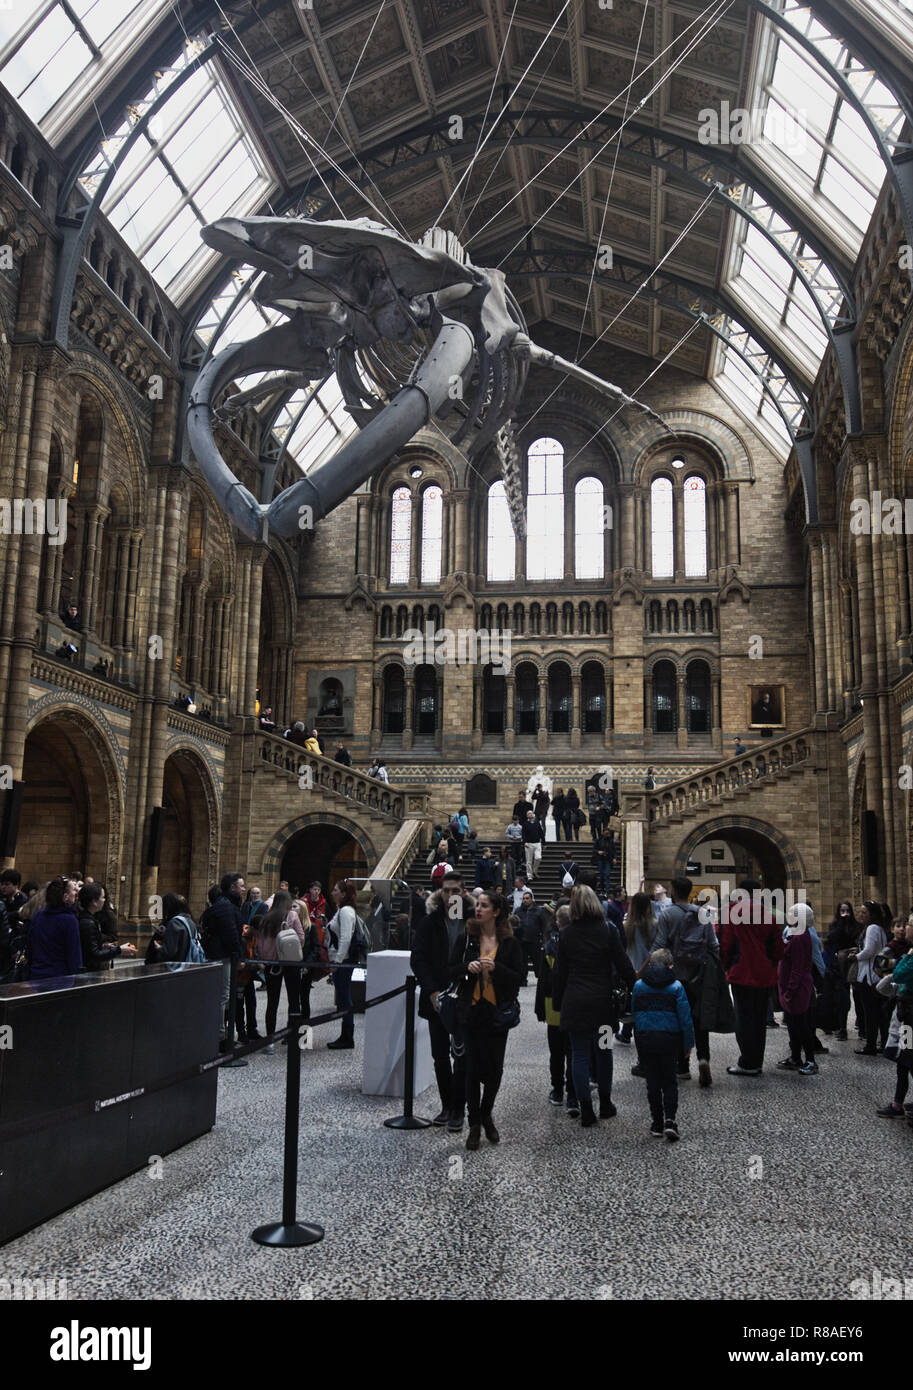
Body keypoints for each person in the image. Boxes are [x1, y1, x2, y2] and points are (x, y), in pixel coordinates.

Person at [552, 884, 636, 1127]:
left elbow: (559, 974)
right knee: (603, 1052)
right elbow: (623, 964)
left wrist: (558, 1004)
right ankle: (606, 1104)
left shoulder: (567, 933)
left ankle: (586, 1109)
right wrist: (637, 988)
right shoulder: (608, 930)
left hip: (575, 1002)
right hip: (602, 1003)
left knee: (579, 1054)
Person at [449, 890, 524, 1150]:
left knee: (494, 1071)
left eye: (484, 906)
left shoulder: (510, 942)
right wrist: (465, 968)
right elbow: (449, 970)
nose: (478, 909)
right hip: (471, 1013)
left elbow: (520, 977)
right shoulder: (467, 939)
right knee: (471, 1070)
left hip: (496, 1014)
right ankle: (474, 1124)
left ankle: (486, 1112)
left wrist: (497, 969)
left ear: (496, 911)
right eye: (477, 905)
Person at [411, 872, 473, 1131]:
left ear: (463, 892)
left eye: (455, 890)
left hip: (464, 997)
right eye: (446, 891)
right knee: (439, 1055)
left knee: (461, 1055)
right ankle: (447, 1105)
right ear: (440, 893)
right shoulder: (430, 921)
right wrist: (432, 991)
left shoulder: (473, 919)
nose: (450, 896)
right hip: (437, 995)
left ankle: (459, 1108)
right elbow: (419, 959)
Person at [653, 876, 719, 1087]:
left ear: (673, 892)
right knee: (700, 1019)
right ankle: (703, 1058)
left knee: (678, 1019)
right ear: (690, 892)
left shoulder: (667, 914)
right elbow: (713, 944)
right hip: (700, 974)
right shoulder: (703, 914)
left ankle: (682, 1066)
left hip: (675, 976)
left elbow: (660, 945)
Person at [720, 878, 784, 1076]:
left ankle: (747, 1062)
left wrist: (724, 966)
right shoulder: (769, 914)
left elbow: (726, 943)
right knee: (758, 1019)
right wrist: (771, 964)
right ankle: (757, 1061)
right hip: (764, 974)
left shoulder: (733, 911)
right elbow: (778, 947)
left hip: (741, 973)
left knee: (744, 1018)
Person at [632, 948, 694, 1141]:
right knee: (669, 1081)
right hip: (670, 1038)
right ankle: (670, 1121)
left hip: (646, 1038)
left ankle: (656, 1123)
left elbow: (634, 1012)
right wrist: (688, 1044)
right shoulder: (676, 987)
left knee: (652, 1081)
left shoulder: (639, 985)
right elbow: (685, 1018)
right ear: (670, 965)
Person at [535, 904, 578, 1116]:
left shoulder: (549, 946)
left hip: (553, 1003)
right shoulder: (578, 942)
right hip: (573, 1002)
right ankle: (572, 1092)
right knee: (573, 1050)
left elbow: (543, 979)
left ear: (558, 923)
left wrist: (539, 1008)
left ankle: (558, 1090)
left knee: (556, 1052)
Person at [253, 890, 304, 1049]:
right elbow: (300, 937)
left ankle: (270, 1040)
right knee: (294, 999)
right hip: (290, 963)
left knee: (272, 1002)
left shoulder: (265, 919)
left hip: (271, 965)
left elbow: (259, 943)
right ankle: (292, 1036)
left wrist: (265, 958)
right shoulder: (292, 916)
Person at [201, 872, 245, 1049]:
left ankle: (221, 1033)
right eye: (241, 886)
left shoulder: (224, 905)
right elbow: (231, 934)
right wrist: (238, 955)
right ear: (232, 887)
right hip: (223, 956)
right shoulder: (226, 907)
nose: (244, 889)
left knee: (223, 995)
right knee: (223, 996)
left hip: (220, 954)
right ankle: (220, 1036)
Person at [875, 914, 913, 1119]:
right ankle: (898, 1103)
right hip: (906, 1013)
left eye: (908, 924)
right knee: (904, 1060)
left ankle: (898, 1104)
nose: (905, 928)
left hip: (910, 1017)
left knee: (906, 1059)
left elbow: (899, 974)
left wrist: (908, 955)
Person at [776, 902, 818, 1074]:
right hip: (791, 986)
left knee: (801, 1025)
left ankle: (810, 1060)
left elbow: (797, 967)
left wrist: (791, 990)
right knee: (793, 1024)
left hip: (797, 988)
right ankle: (795, 1056)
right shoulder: (796, 933)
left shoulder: (800, 936)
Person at [618, 890, 657, 1046]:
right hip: (647, 969)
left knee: (631, 1000)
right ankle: (639, 1033)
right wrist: (643, 969)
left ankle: (626, 1032)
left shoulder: (626, 924)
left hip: (630, 969)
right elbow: (655, 949)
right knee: (645, 1003)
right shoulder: (654, 924)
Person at [26, 876, 83, 981]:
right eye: (73, 890)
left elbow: (30, 947)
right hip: (60, 978)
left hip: (36, 975)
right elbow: (73, 954)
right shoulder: (69, 920)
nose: (76, 894)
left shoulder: (38, 915)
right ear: (65, 897)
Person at [851, 900, 889, 1055]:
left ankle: (871, 1045)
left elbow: (870, 950)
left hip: (870, 976)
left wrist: (856, 956)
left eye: (864, 912)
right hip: (875, 973)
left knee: (871, 1012)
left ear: (872, 914)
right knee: (878, 1012)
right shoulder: (877, 928)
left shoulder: (872, 928)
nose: (861, 915)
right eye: (860, 912)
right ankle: (882, 1042)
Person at [327, 879, 359, 1048]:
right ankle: (345, 1035)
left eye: (336, 890)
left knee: (345, 998)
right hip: (341, 960)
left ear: (344, 894)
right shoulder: (341, 910)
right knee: (342, 997)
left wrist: (338, 962)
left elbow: (346, 937)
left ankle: (347, 1037)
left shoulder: (346, 911)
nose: (333, 892)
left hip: (344, 961)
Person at [821, 900, 859, 1040]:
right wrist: (841, 923)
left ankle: (847, 1025)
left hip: (851, 964)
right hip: (836, 965)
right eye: (842, 911)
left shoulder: (855, 926)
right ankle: (835, 1025)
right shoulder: (835, 925)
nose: (845, 914)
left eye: (847, 911)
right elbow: (832, 938)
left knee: (846, 997)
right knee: (836, 995)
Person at [77, 882, 136, 970]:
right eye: (102, 897)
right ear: (94, 902)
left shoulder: (89, 919)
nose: (104, 900)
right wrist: (119, 950)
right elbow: (93, 954)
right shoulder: (88, 923)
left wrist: (104, 945)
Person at [515, 890, 544, 980]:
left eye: (527, 898)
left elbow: (543, 925)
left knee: (537, 961)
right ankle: (523, 979)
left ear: (531, 899)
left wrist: (543, 938)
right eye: (523, 899)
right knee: (522, 961)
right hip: (522, 940)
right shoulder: (518, 911)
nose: (525, 900)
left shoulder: (539, 911)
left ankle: (540, 977)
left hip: (534, 939)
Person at [522, 808, 545, 881]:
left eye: (531, 813)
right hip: (529, 843)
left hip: (537, 843)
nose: (530, 814)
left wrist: (544, 843)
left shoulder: (537, 822)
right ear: (527, 816)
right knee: (529, 860)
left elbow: (541, 832)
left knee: (538, 858)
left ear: (533, 815)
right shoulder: (525, 823)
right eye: (528, 813)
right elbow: (523, 834)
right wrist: (524, 842)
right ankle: (529, 875)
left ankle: (534, 871)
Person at [593, 828, 614, 895]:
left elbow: (614, 850)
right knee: (601, 875)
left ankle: (607, 890)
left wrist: (614, 858)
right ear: (603, 833)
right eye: (606, 833)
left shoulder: (611, 841)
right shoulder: (599, 840)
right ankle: (602, 889)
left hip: (608, 859)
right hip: (600, 859)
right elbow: (594, 849)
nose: (607, 835)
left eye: (608, 833)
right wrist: (598, 852)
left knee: (607, 874)